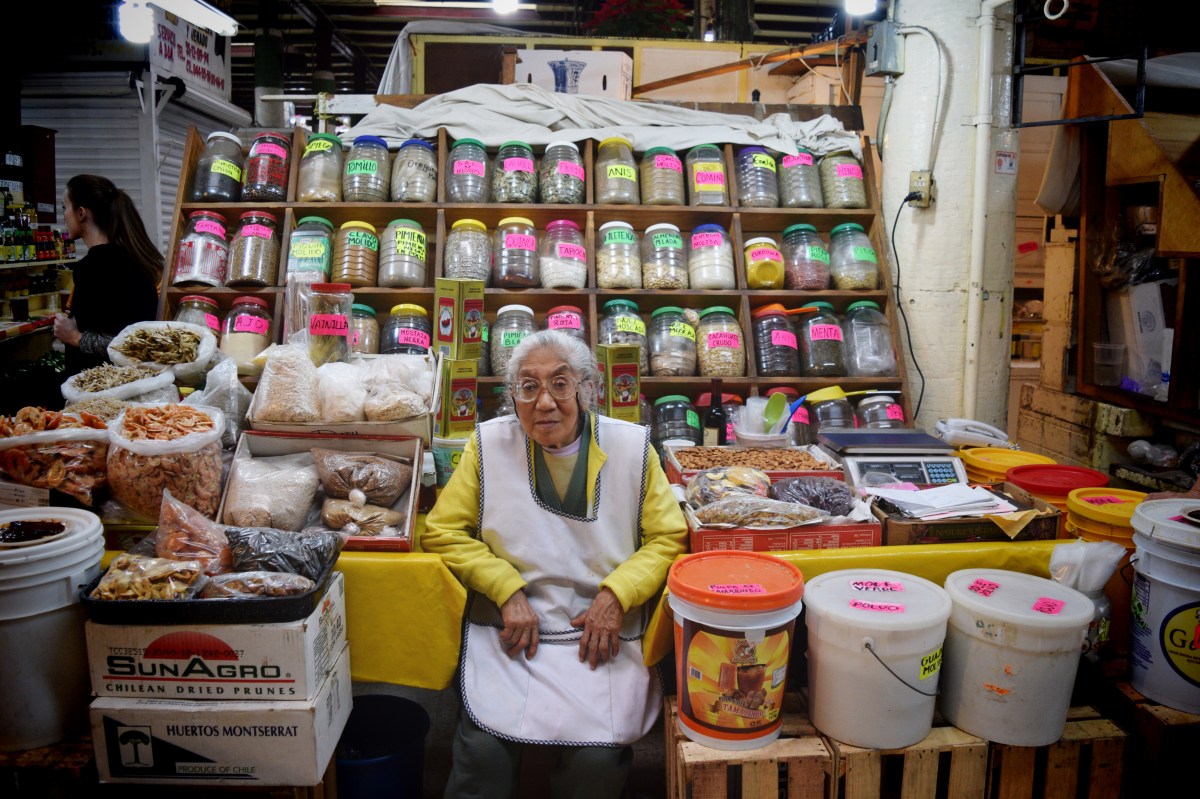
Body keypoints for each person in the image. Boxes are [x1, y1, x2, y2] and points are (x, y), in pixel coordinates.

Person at [423, 330, 687, 799]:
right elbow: (442, 531)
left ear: (586, 388)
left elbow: (668, 537)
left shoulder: (630, 448)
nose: (544, 402)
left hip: (598, 633)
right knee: (481, 756)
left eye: (560, 384)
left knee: (597, 761)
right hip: (512, 632)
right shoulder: (486, 446)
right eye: (528, 387)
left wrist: (617, 594)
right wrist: (505, 589)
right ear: (513, 396)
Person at [53, 174, 162, 376]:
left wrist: (74, 337)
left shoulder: (94, 268)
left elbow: (128, 344)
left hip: (102, 391)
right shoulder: (135, 258)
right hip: (130, 386)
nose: (64, 216)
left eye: (64, 208)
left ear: (81, 213)